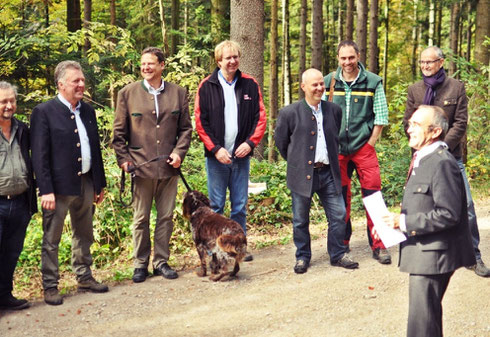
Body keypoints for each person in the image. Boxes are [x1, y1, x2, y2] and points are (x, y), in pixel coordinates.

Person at [381, 105, 475, 337]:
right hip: (425, 252)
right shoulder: (424, 157)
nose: (409, 129)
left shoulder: (442, 162)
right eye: (410, 123)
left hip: (434, 255)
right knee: (425, 320)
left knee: (422, 324)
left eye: (416, 125)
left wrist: (403, 223)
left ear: (434, 132)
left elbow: (449, 214)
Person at [404, 46, 490, 278]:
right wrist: (426, 147)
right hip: (423, 160)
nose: (425, 66)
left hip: (452, 158)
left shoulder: (456, 87)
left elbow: (460, 123)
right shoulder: (415, 90)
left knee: (467, 208)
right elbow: (408, 124)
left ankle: (474, 257)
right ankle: (426, 255)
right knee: (423, 207)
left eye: (430, 62)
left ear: (441, 62)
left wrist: (440, 147)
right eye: (422, 62)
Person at [30, 61, 108, 305]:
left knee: (84, 233)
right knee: (51, 238)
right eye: (76, 81)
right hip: (58, 187)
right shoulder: (44, 112)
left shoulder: (87, 111)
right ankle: (51, 285)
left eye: (82, 80)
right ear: (61, 84)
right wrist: (46, 189)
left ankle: (84, 276)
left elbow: (94, 147)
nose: (81, 85)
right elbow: (39, 156)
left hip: (86, 181)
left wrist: (99, 183)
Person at [112, 47, 192, 283]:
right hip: (140, 168)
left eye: (150, 64)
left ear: (162, 65)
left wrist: (179, 153)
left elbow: (186, 129)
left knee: (166, 217)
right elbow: (118, 133)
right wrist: (124, 160)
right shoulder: (127, 93)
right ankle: (140, 264)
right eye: (142, 64)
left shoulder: (178, 93)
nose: (145, 68)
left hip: (169, 168)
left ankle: (161, 262)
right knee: (140, 218)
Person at [275, 68, 359, 274]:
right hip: (302, 174)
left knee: (339, 214)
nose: (320, 88)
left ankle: (338, 254)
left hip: (329, 173)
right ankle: (302, 256)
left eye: (322, 83)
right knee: (300, 219)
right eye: (315, 84)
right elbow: (282, 143)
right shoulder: (289, 113)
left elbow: (335, 138)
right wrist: (298, 162)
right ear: (304, 87)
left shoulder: (334, 110)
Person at [194, 40, 266, 261]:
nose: (233, 61)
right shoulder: (207, 86)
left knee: (240, 206)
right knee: (216, 206)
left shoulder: (250, 84)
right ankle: (214, 250)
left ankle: (238, 248)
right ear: (219, 61)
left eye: (235, 57)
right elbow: (200, 121)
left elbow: (260, 118)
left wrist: (250, 143)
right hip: (217, 158)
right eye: (228, 58)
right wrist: (215, 149)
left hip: (241, 156)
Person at [323, 40, 391, 264]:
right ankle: (341, 242)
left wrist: (370, 143)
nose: (347, 62)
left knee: (373, 195)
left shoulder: (372, 81)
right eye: (343, 58)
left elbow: (381, 117)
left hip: (364, 147)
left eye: (351, 57)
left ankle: (379, 244)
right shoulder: (328, 82)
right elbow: (321, 116)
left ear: (358, 56)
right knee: (340, 197)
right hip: (338, 150)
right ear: (338, 59)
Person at [0, 82, 37, 310]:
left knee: (11, 253)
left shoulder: (22, 129)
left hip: (21, 201)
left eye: (12, 101)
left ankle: (4, 296)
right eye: (3, 101)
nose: (9, 105)